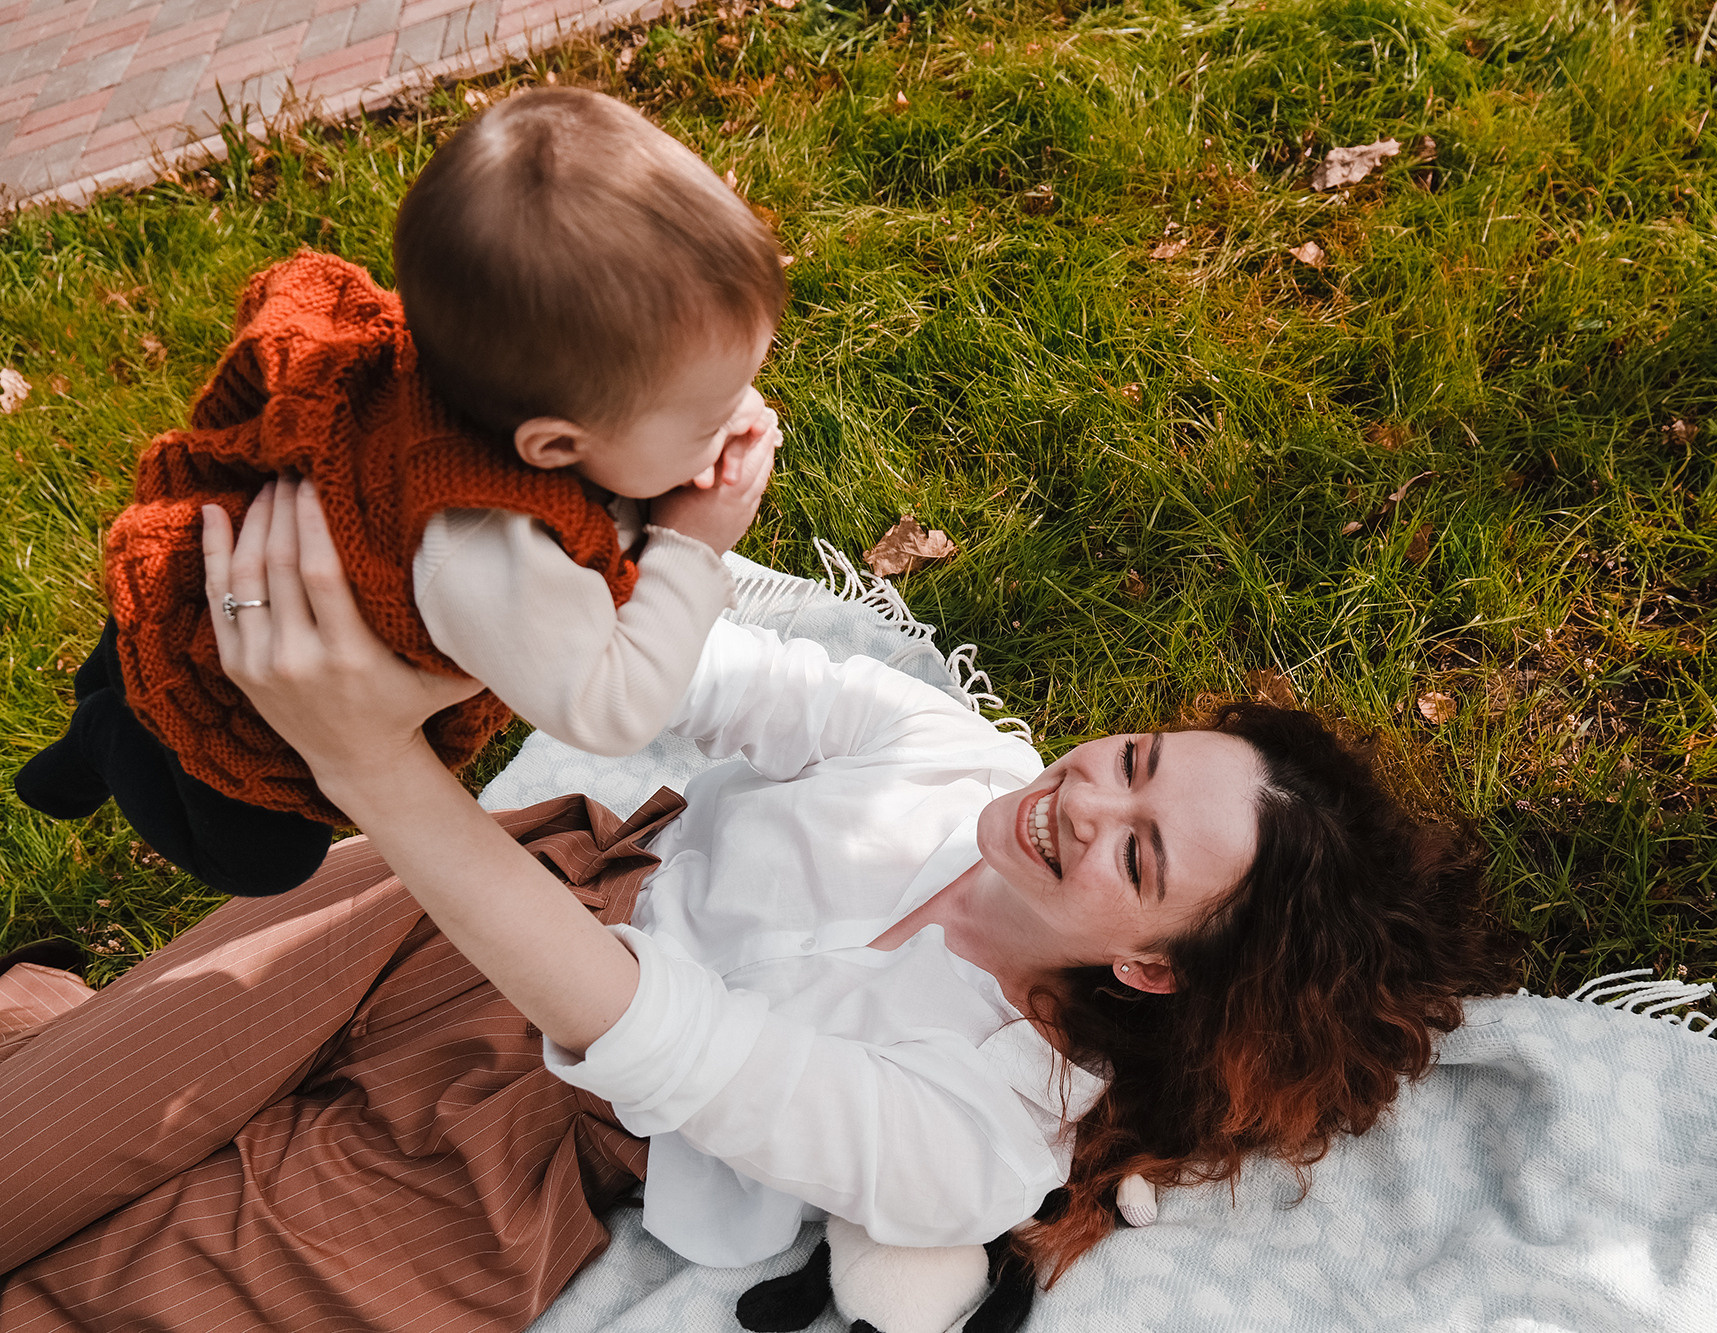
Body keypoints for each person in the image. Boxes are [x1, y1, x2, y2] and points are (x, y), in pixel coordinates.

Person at [0, 482, 1511, 1329]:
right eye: (1128, 762)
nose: (1082, 800)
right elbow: (685, 679)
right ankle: (45, 1028)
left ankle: (35, 1013)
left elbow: (657, 1040)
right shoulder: (953, 757)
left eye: (1138, 856)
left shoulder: (977, 1140)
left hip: (503, 1140)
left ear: (1155, 965)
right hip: (435, 909)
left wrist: (370, 765)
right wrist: (654, 546)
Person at [11, 86, 785, 898]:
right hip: (243, 683)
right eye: (707, 418)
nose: (740, 417)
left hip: (207, 571)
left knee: (128, 652)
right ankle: (104, 741)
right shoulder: (488, 541)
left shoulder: (477, 366)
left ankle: (93, 715)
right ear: (553, 446)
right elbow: (610, 707)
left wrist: (684, 439)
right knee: (262, 859)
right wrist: (693, 545)